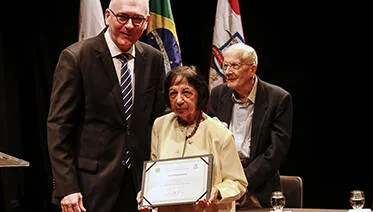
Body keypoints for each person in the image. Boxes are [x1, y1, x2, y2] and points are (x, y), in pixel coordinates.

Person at [46, 0, 166, 211]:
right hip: (89, 188)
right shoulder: (77, 57)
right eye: (123, 17)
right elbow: (59, 127)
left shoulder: (153, 59)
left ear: (147, 22)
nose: (129, 25)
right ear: (108, 16)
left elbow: (158, 121)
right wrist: (67, 187)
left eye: (137, 19)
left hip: (141, 187)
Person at [138, 65, 248, 212]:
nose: (178, 100)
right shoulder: (160, 125)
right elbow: (155, 172)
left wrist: (217, 191)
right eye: (172, 93)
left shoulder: (220, 133)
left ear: (200, 95)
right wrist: (145, 195)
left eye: (186, 93)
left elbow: (238, 183)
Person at [207, 42, 293, 208]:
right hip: (222, 186)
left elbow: (276, 152)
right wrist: (229, 186)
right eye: (225, 66)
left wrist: (241, 183)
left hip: (258, 188)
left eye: (234, 66)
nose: (228, 72)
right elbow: (209, 138)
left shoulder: (278, 98)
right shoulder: (218, 94)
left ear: (252, 69)